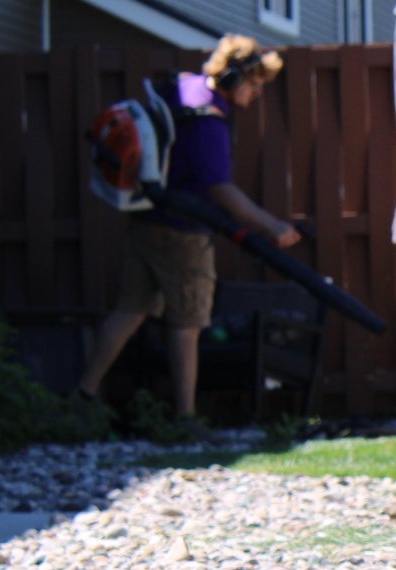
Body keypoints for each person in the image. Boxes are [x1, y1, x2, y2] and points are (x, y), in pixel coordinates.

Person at [78, 35, 301, 417]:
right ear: (234, 79)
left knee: (129, 309)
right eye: (255, 86)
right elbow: (220, 190)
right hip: (183, 232)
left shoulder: (183, 87)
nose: (256, 96)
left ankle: (82, 394)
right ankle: (185, 417)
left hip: (146, 219)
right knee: (189, 322)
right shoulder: (208, 119)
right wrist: (271, 225)